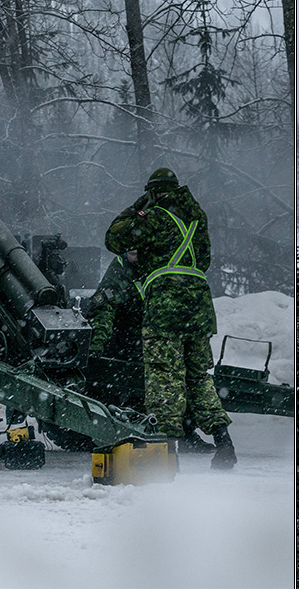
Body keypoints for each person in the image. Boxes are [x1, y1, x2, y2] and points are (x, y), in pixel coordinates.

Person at [104, 168, 236, 469]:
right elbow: (203, 260)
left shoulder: (154, 217)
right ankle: (223, 440)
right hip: (198, 306)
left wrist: (138, 207)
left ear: (153, 192)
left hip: (166, 306)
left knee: (165, 377)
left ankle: (167, 452)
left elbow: (113, 237)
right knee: (198, 377)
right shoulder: (196, 217)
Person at [85, 252, 217, 454]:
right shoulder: (120, 270)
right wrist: (97, 345)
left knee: (180, 382)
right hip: (127, 339)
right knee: (144, 388)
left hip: (160, 336)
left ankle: (185, 433)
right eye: (131, 250)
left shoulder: (161, 263)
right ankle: (145, 435)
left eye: (140, 249)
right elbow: (104, 308)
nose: (135, 253)